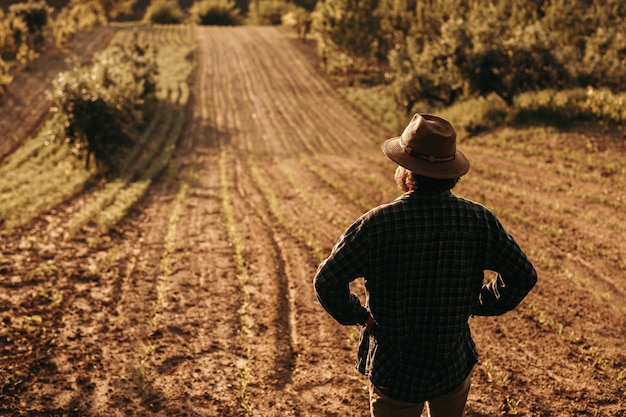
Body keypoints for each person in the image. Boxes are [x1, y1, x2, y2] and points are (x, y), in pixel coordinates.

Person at [313, 113, 538, 417]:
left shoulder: (377, 224)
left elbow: (327, 281)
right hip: (452, 364)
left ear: (406, 170)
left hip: (394, 370)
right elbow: (522, 275)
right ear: (452, 171)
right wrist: (476, 303)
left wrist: (360, 316)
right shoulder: (478, 220)